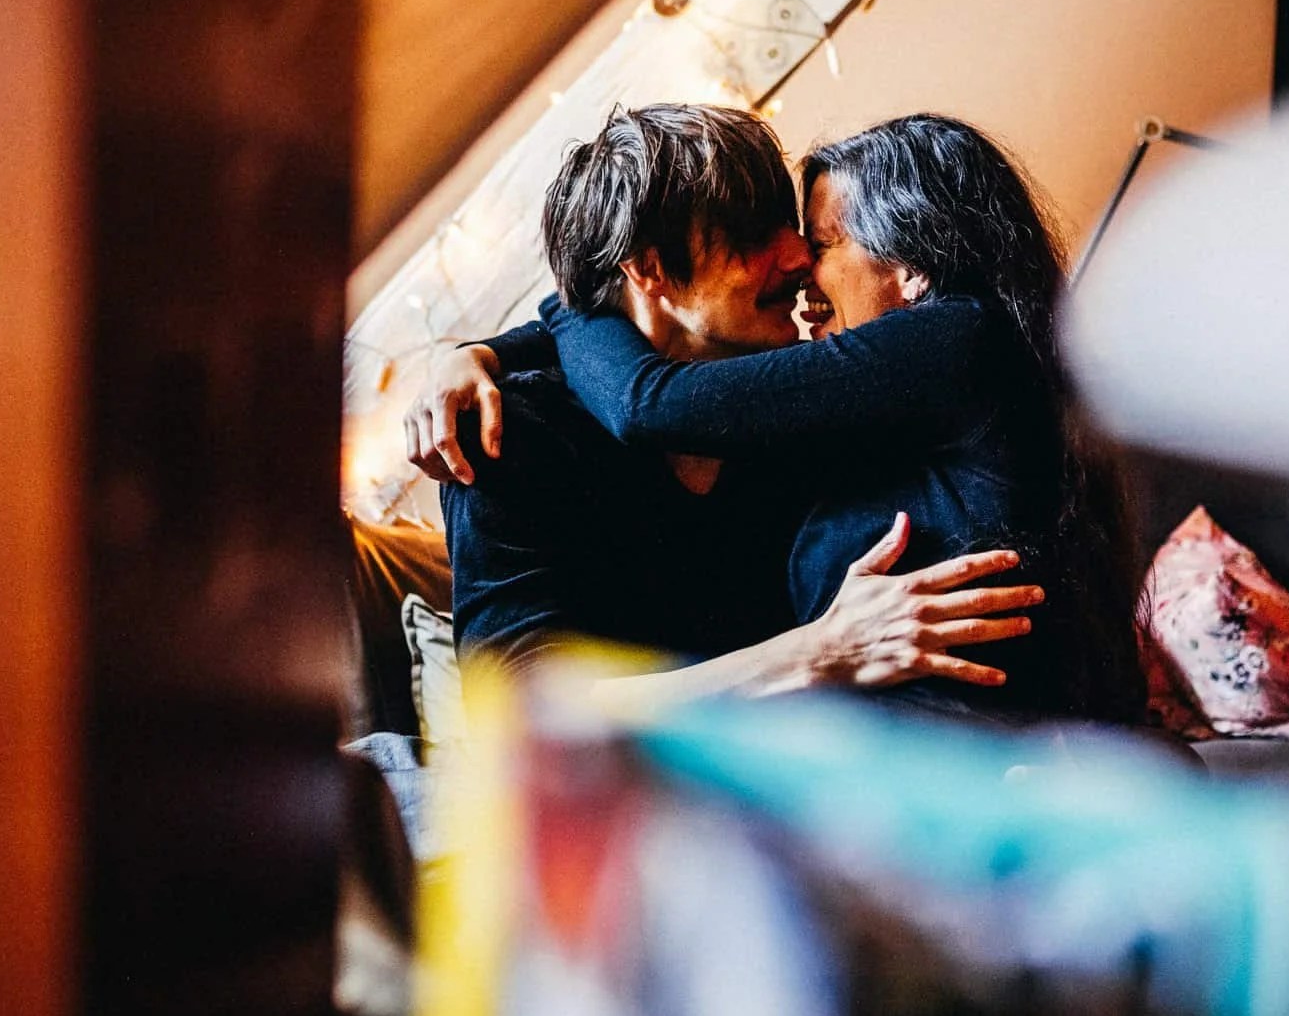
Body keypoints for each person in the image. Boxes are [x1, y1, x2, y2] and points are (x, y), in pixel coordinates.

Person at [420, 113, 1143, 724]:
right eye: (753, 232)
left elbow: (651, 399)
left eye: (814, 238)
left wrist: (526, 327)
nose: (797, 255)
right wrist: (817, 654)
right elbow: (520, 719)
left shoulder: (821, 406)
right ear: (649, 271)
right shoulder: (503, 434)